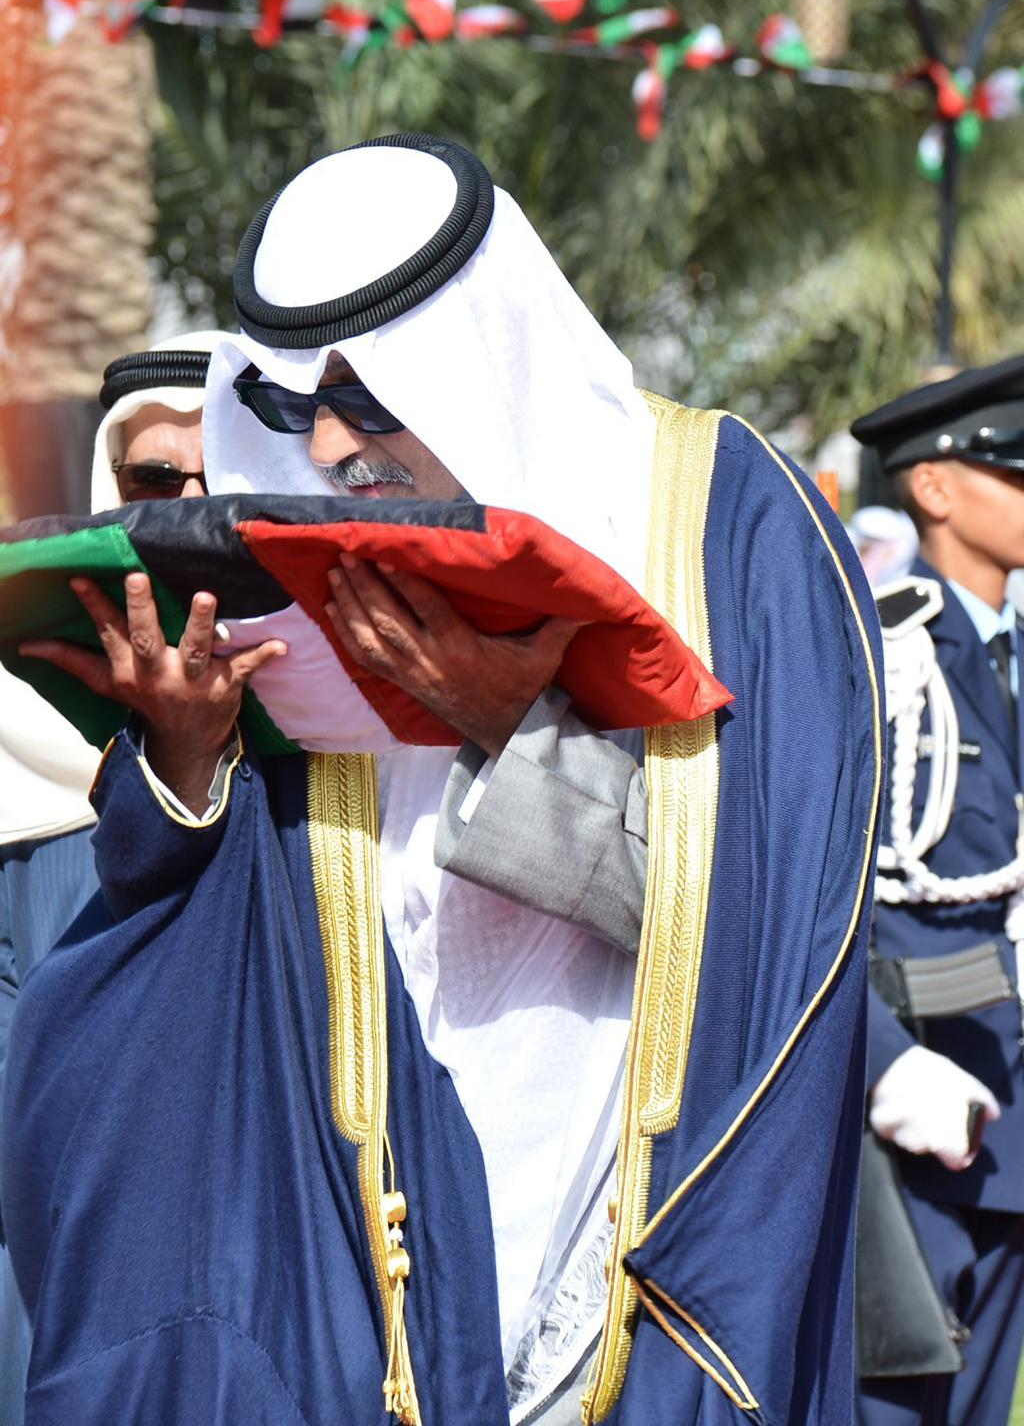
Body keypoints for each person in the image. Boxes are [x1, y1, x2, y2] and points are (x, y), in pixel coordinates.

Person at [3, 134, 882, 1426]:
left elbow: (773, 934)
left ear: (477, 350)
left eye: (367, 396)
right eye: (296, 406)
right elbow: (213, 902)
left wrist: (504, 729)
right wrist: (187, 753)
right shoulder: (283, 523)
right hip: (349, 1197)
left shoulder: (727, 527)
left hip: (623, 1209)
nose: (333, 443)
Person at [0, 331, 222, 1426]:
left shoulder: (337, 743)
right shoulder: (18, 751)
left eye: (212, 473)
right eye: (153, 480)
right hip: (58, 1267)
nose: (185, 501)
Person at [850, 356, 1024, 1426]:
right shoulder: (885, 650)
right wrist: (882, 1064)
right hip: (919, 1111)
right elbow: (826, 898)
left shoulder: (1007, 653)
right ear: (933, 486)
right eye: (1015, 468)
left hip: (1006, 1122)